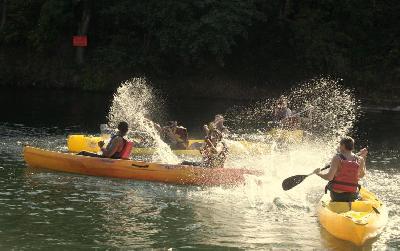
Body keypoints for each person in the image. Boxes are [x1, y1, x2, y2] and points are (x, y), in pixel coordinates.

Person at [313, 136, 368, 202]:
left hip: (337, 196)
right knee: (358, 193)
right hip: (352, 196)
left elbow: (329, 177)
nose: (339, 147)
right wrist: (363, 158)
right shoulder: (360, 159)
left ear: (343, 145)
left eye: (340, 145)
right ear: (352, 146)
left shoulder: (337, 158)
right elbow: (361, 175)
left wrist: (318, 173)